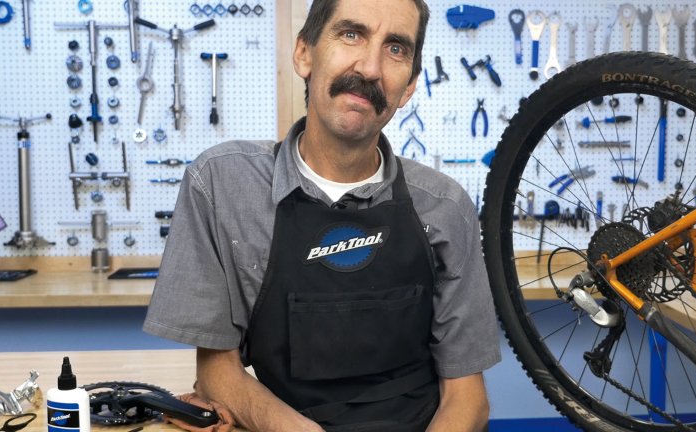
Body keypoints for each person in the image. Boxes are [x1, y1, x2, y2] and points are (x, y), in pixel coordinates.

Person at [144, 0, 501, 430]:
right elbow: (217, 370)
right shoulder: (222, 186)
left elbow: (468, 398)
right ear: (304, 54)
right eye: (351, 34)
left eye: (395, 49)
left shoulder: (445, 206)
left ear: (408, 87)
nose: (370, 68)